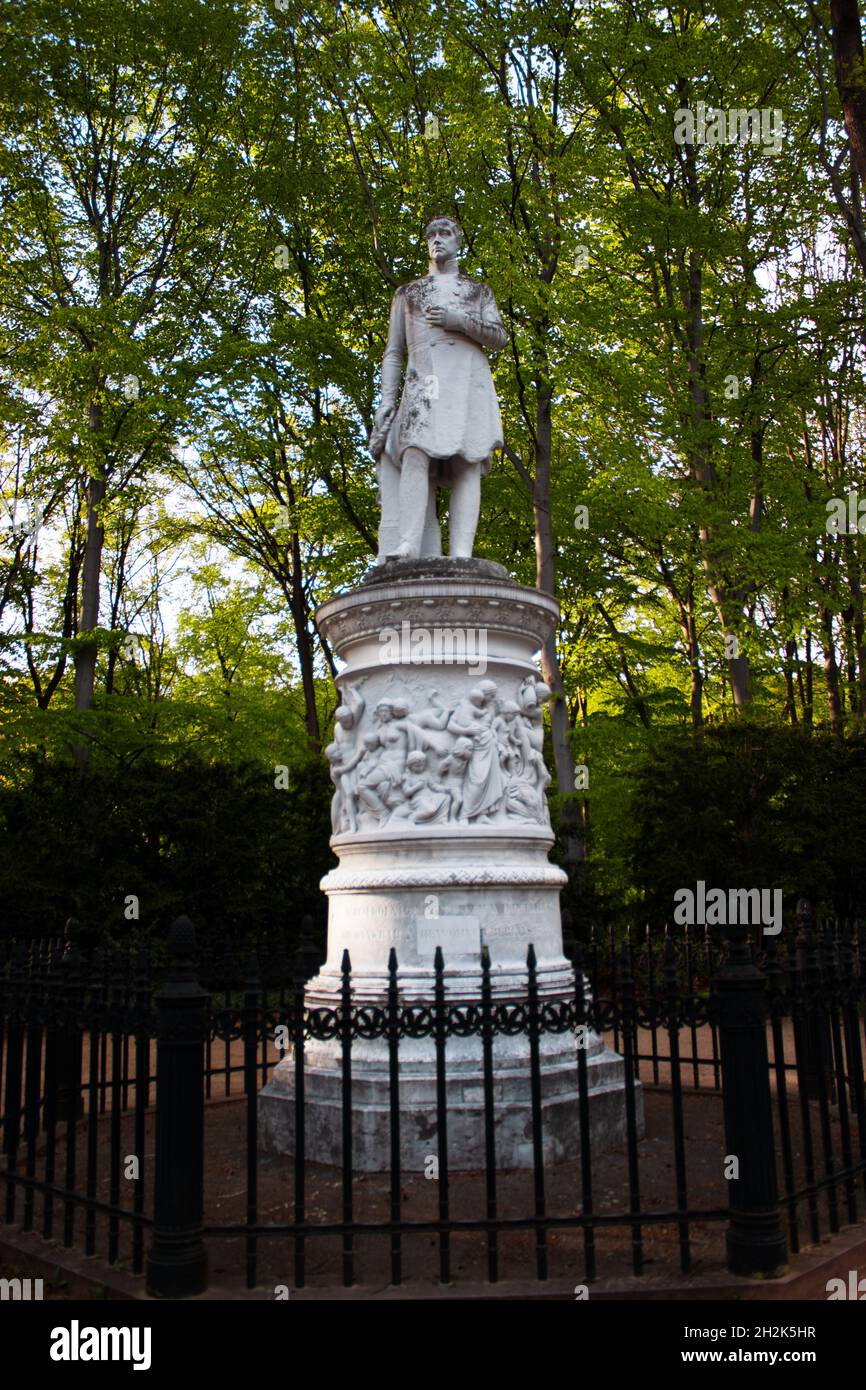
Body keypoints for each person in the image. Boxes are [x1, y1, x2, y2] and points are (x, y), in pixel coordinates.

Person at [369, 216, 507, 561]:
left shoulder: (477, 291)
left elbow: (500, 337)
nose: (437, 240)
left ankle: (462, 553)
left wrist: (457, 321)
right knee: (414, 452)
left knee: (467, 460)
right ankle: (409, 545)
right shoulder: (408, 293)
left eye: (445, 233)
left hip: (467, 380)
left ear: (459, 240)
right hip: (424, 383)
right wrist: (387, 400)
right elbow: (393, 351)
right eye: (431, 235)